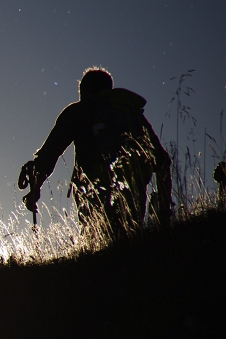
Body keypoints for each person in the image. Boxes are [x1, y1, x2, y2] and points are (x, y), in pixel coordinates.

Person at [20, 67, 172, 239]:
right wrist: (164, 209)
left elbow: (50, 152)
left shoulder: (78, 111)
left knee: (98, 244)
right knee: (131, 240)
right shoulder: (131, 113)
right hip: (132, 187)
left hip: (93, 189)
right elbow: (163, 161)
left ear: (84, 90)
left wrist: (36, 188)